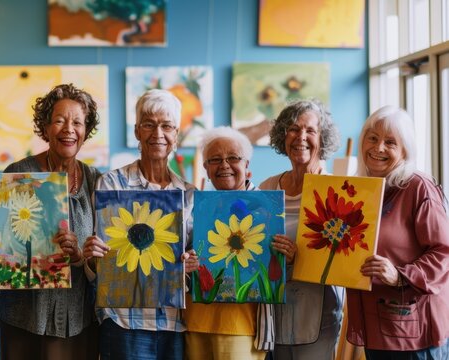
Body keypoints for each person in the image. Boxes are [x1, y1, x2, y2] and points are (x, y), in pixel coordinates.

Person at [0, 83, 102, 360]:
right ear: (45, 127)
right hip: (23, 316)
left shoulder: (96, 181)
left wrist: (80, 258)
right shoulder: (18, 173)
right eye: (59, 121)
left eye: (77, 122)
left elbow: (104, 255)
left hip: (78, 318)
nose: (68, 129)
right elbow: (2, 249)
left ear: (86, 130)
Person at [82, 89, 198, 360]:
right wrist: (93, 256)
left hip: (175, 322)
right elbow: (102, 261)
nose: (158, 133)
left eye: (167, 126)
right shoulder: (111, 184)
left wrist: (193, 262)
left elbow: (193, 259)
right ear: (137, 131)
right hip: (124, 322)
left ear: (176, 135)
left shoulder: (189, 193)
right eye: (149, 124)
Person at [346, 105, 449, 358]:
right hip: (376, 326)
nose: (378, 148)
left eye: (390, 142)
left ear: (405, 151)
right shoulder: (359, 188)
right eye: (373, 138)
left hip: (415, 331)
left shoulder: (419, 188)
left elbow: (444, 252)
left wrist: (400, 275)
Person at [259, 99, 344, 359]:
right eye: (293, 129)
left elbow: (344, 262)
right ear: (282, 137)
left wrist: (300, 258)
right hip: (271, 314)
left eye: (310, 130)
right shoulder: (267, 189)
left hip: (318, 313)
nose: (301, 137)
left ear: (323, 138)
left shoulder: (338, 191)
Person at [183, 126, 272, 360]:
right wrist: (186, 262)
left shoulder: (268, 209)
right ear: (206, 169)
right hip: (195, 320)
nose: (224, 165)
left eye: (233, 158)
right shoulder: (194, 206)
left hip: (241, 324)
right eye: (215, 159)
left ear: (247, 167)